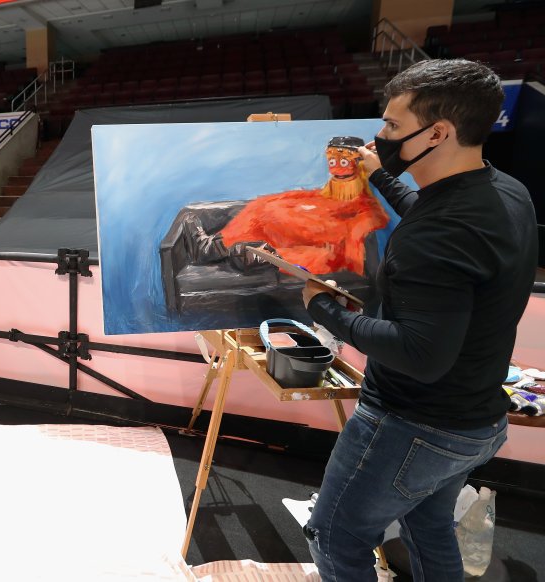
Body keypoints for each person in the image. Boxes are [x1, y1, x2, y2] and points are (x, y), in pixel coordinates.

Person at [301, 59, 537, 581]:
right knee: (429, 527)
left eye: (390, 126)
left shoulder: (443, 232)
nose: (378, 136)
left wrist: (324, 309)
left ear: (439, 132)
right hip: (474, 422)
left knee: (336, 538)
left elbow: (419, 355)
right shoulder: (503, 191)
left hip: (413, 424)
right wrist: (380, 175)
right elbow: (432, 216)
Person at [185, 136, 389, 276]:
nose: (335, 167)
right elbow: (319, 199)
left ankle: (221, 249)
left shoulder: (360, 195)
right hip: (307, 232)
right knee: (263, 208)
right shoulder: (330, 190)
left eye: (342, 162)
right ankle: (214, 248)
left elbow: (373, 216)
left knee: (270, 224)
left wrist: (347, 233)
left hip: (322, 241)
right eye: (332, 160)